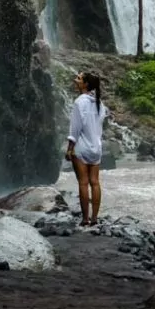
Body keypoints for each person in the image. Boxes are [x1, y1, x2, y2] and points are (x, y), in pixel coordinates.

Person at [65, 70, 107, 226]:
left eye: (79, 78)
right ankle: (95, 218)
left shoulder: (79, 102)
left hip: (82, 147)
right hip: (96, 147)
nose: (75, 80)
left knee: (83, 183)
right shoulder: (99, 103)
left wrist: (70, 148)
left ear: (86, 84)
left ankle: (85, 219)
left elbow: (75, 129)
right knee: (95, 182)